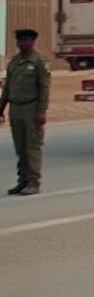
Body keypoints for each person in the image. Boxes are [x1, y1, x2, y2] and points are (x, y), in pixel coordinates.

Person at [0, 28, 50, 196]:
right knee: (20, 148)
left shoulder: (39, 62)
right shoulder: (14, 62)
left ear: (32, 41)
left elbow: (44, 88)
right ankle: (22, 180)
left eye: (24, 40)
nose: (20, 43)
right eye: (19, 40)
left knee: (32, 147)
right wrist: (1, 108)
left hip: (32, 108)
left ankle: (33, 182)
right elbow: (7, 89)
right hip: (16, 108)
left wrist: (42, 111)